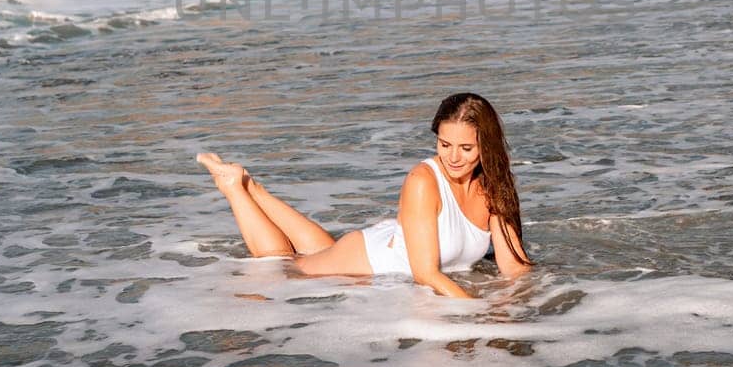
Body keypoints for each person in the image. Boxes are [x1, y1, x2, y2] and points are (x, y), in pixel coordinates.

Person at [197, 92, 533, 299]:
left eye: (466, 148)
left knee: (317, 251)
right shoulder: (422, 180)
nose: (454, 157)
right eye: (444, 145)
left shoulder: (493, 186)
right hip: (367, 262)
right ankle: (234, 188)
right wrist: (475, 313)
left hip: (388, 245)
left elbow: (513, 267)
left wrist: (525, 309)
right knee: (283, 266)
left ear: (485, 147)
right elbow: (426, 275)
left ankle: (253, 187)